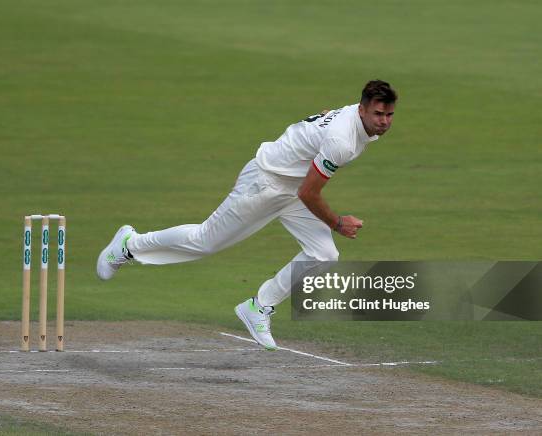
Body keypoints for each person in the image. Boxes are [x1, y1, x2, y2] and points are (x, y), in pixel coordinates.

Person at [97, 80, 397, 350]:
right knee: (204, 241)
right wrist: (337, 222)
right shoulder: (341, 141)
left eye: (389, 115)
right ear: (362, 110)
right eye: (378, 115)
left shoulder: (355, 121)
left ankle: (259, 307)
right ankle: (129, 245)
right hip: (266, 182)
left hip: (293, 185)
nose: (383, 122)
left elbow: (324, 124)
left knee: (323, 254)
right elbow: (310, 194)